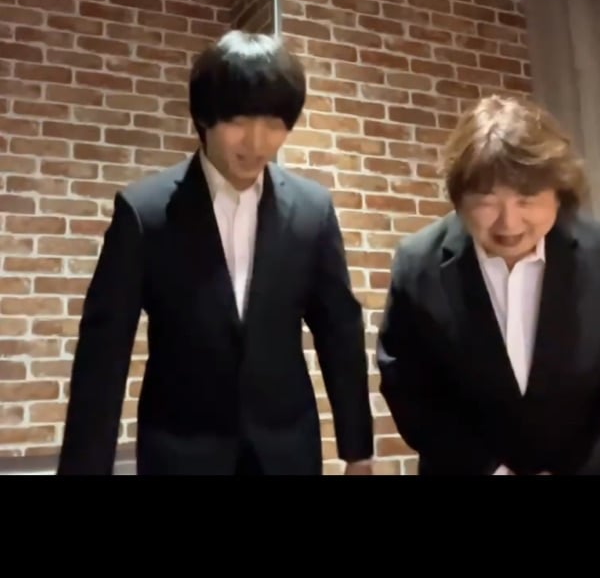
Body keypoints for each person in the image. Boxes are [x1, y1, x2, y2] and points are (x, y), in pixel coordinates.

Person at [57, 30, 373, 475]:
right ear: (204, 116)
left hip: (287, 453)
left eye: (274, 123)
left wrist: (358, 451)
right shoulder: (145, 212)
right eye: (238, 120)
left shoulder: (312, 210)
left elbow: (339, 329)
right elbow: (103, 353)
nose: (257, 143)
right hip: (180, 454)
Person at [377, 93, 600, 475]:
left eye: (526, 198)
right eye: (486, 200)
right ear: (460, 199)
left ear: (559, 195)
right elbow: (409, 387)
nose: (508, 223)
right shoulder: (418, 264)